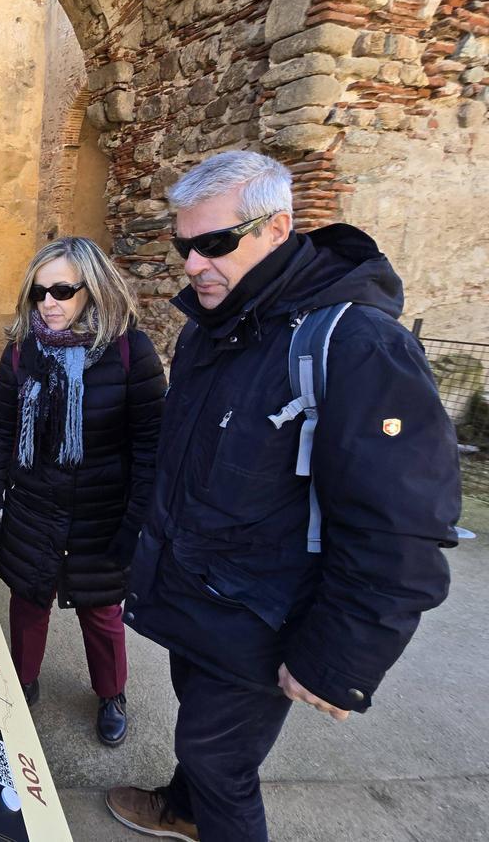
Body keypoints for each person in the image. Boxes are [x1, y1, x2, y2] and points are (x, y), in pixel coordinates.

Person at [105, 151, 460, 841]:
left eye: (214, 243)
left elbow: (403, 527)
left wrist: (336, 660)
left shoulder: (358, 345)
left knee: (220, 760)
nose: (193, 263)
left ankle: (203, 807)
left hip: (266, 613)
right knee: (201, 737)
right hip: (201, 596)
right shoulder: (218, 327)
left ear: (278, 227)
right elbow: (187, 467)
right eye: (184, 246)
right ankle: (184, 810)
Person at [0, 236, 165, 746]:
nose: (49, 304)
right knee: (28, 600)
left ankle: (111, 692)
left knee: (101, 612)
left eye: (62, 290)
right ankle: (22, 681)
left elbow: (151, 447)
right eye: (39, 293)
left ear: (93, 288)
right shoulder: (21, 352)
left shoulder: (130, 352)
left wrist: (136, 524)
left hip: (102, 511)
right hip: (35, 504)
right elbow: (0, 430)